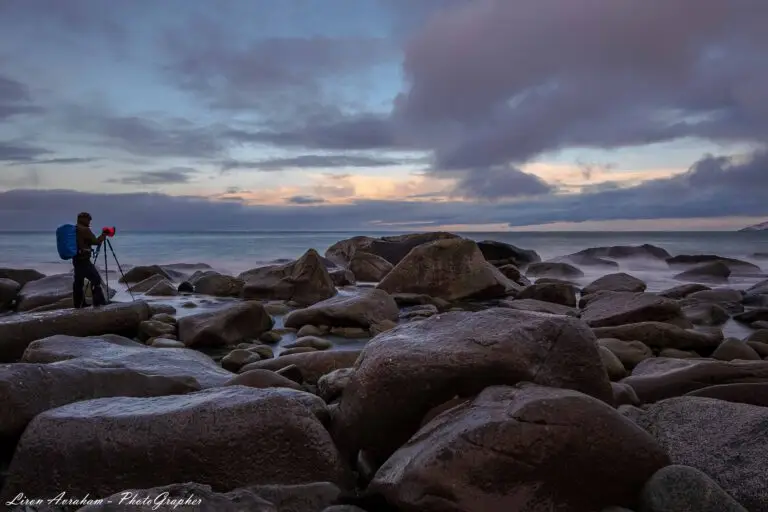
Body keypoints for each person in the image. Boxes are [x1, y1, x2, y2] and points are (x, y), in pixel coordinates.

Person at [73, 212, 108, 308]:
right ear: (83, 219)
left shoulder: (74, 229)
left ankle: (78, 304)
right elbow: (95, 242)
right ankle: (99, 303)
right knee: (96, 279)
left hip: (76, 259)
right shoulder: (85, 230)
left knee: (78, 282)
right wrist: (102, 236)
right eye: (88, 219)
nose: (89, 222)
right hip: (84, 260)